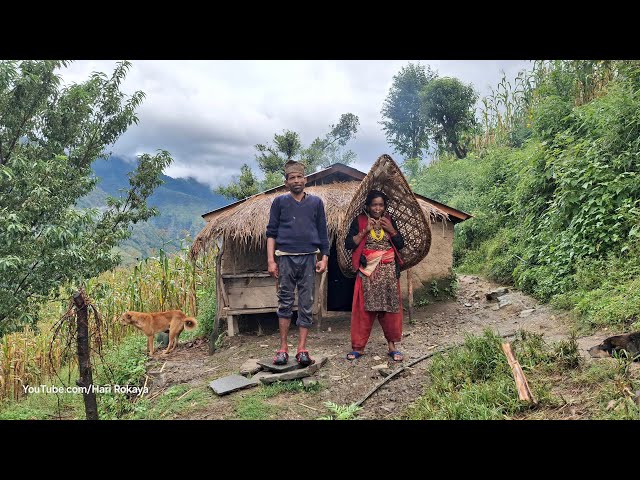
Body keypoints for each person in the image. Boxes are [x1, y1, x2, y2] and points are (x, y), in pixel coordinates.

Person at [266, 160, 329, 366]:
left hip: (309, 257)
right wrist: (271, 260)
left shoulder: (316, 203)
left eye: (299, 177)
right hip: (285, 257)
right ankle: (283, 348)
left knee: (306, 303)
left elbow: (322, 232)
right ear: (286, 183)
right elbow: (271, 233)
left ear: (306, 179)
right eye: (292, 178)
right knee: (284, 301)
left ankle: (302, 349)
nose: (296, 181)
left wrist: (324, 257)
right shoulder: (279, 203)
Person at [345, 189, 405, 362]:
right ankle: (358, 348)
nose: (377, 208)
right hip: (367, 271)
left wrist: (392, 230)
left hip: (388, 272)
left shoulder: (389, 221)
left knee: (391, 309)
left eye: (380, 205)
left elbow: (400, 245)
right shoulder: (360, 221)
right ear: (368, 206)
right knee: (363, 309)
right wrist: (365, 231)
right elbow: (349, 244)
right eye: (374, 205)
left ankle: (392, 346)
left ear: (385, 207)